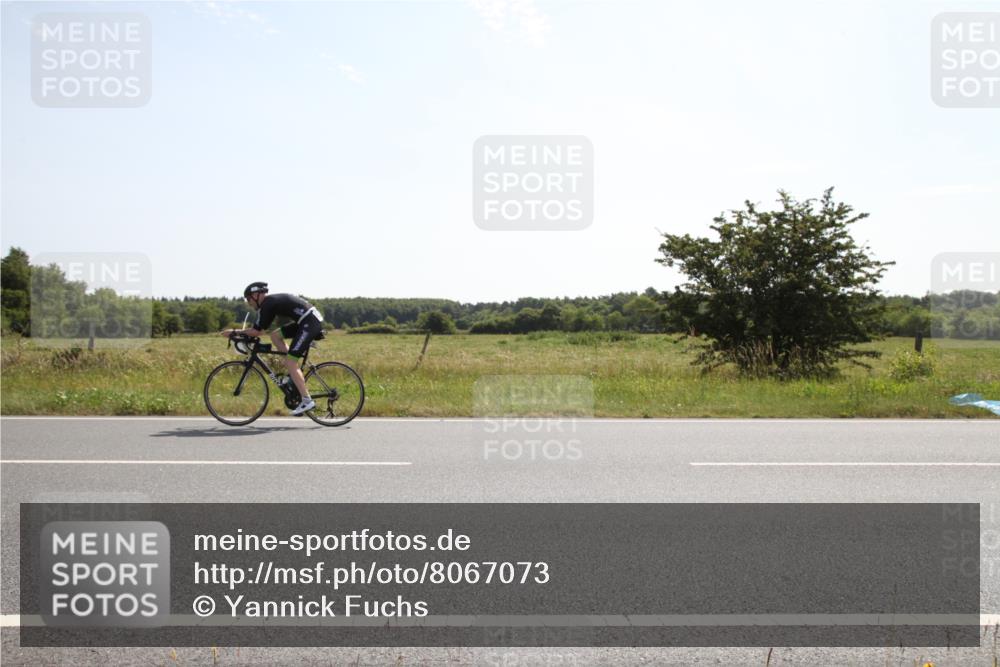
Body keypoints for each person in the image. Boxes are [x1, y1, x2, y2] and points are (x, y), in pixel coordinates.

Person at [220, 282, 323, 416]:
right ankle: (292, 372)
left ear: (256, 295)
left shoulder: (268, 304)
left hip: (309, 322)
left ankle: (307, 400)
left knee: (290, 362)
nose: (248, 303)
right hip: (306, 320)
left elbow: (257, 331)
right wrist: (243, 332)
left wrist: (234, 332)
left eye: (249, 299)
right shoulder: (269, 303)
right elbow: (261, 330)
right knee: (275, 336)